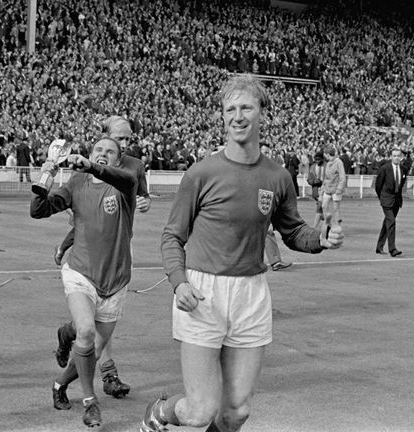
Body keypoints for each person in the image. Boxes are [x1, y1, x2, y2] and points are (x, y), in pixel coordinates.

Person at [140, 75, 343, 432]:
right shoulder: (201, 173)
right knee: (200, 411)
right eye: (230, 108)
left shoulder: (278, 176)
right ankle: (159, 413)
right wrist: (178, 282)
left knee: (236, 412)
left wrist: (320, 239)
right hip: (203, 293)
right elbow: (172, 235)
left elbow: (292, 230)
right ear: (222, 117)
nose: (238, 115)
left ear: (262, 112)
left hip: (250, 293)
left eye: (246, 107)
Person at [31, 137, 138, 428]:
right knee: (88, 332)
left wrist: (91, 165)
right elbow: (38, 210)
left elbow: (125, 178)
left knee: (93, 348)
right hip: (80, 271)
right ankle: (90, 402)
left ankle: (59, 380)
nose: (103, 155)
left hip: (115, 279)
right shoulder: (77, 183)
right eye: (98, 151)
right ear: (90, 153)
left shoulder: (124, 185)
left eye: (110, 152)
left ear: (118, 160)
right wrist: (47, 175)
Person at [52, 116, 150, 401]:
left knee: (98, 326)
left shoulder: (134, 165)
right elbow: (85, 220)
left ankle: (68, 335)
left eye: (128, 139)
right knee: (92, 329)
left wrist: (144, 201)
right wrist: (64, 244)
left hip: (120, 248)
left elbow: (141, 196)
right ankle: (108, 374)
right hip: (91, 251)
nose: (124, 144)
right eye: (119, 138)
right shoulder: (84, 173)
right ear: (103, 138)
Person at [260, 143, 291, 271]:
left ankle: (275, 261)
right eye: (265, 152)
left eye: (269, 152)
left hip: (265, 202)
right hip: (254, 204)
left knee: (267, 232)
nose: (268, 155)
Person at [374, 148, 406, 257]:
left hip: (396, 200)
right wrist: (382, 198)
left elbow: (401, 184)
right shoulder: (384, 169)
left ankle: (379, 247)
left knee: (388, 223)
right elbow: (378, 185)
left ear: (401, 157)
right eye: (394, 156)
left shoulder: (403, 169)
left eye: (398, 156)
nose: (396, 158)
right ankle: (392, 249)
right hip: (386, 199)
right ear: (391, 157)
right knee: (391, 221)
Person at [321, 146, 346, 224]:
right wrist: (323, 186)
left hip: (336, 189)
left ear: (328, 154)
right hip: (327, 188)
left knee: (336, 208)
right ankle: (328, 224)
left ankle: (338, 225)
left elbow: (342, 176)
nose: (324, 156)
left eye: (325, 154)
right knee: (324, 206)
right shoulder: (328, 163)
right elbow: (326, 176)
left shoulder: (339, 162)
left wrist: (339, 189)